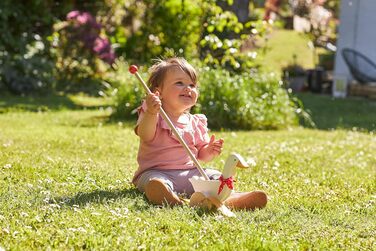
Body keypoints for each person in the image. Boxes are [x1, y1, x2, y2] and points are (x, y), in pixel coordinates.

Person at [132, 57, 267, 210]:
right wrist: (151, 112)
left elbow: (202, 156)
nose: (188, 88)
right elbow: (145, 135)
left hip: (190, 173)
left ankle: (227, 200)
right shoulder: (153, 113)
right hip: (157, 173)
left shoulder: (195, 122)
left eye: (192, 85)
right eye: (179, 83)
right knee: (154, 183)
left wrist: (209, 150)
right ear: (158, 92)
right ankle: (173, 199)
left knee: (215, 177)